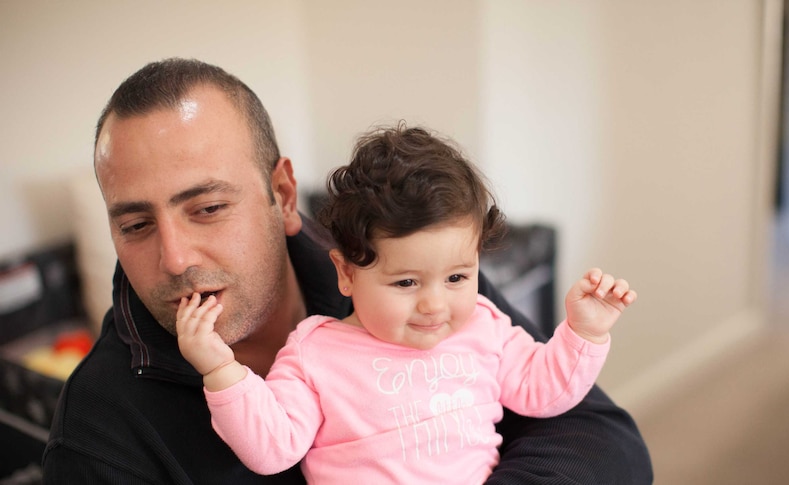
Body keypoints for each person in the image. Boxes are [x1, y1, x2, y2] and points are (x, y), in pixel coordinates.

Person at [42, 58, 653, 484]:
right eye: (136, 225)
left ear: (282, 194)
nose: (176, 259)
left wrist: (583, 331)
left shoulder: (405, 270)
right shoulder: (99, 432)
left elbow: (606, 444)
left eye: (207, 208)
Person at [175, 125, 637, 483]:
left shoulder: (483, 325)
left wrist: (585, 332)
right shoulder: (316, 352)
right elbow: (272, 448)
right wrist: (221, 370)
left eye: (458, 277)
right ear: (347, 273)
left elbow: (544, 392)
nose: (434, 304)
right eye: (406, 282)